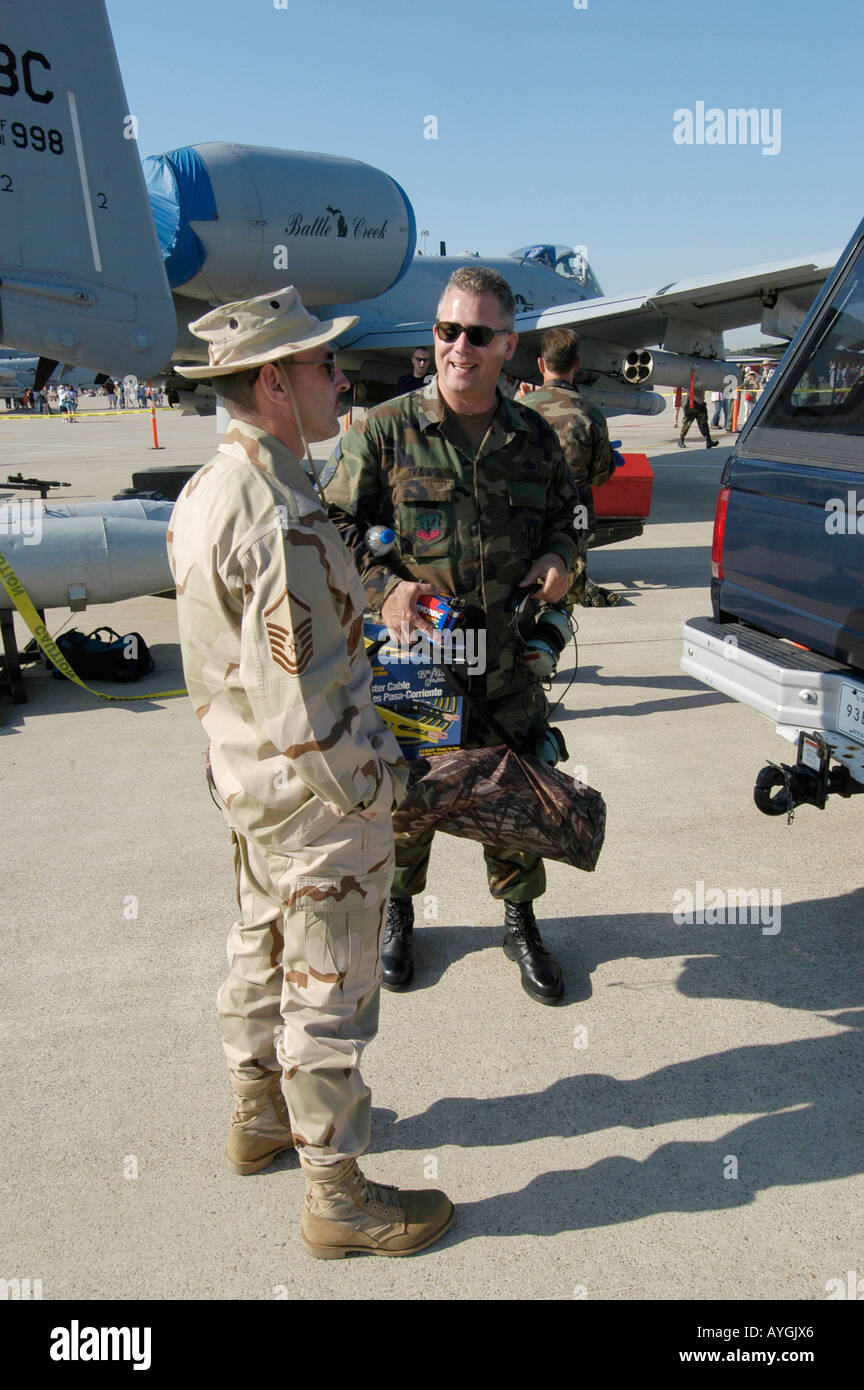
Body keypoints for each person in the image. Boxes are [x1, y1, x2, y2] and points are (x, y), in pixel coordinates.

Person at [168, 287, 453, 1259]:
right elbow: (305, 707)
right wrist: (380, 793)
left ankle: (257, 1119)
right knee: (326, 995)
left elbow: (251, 659)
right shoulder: (282, 512)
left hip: (248, 786)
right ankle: (338, 1196)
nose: (342, 379)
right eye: (323, 367)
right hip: (316, 799)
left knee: (258, 947)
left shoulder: (213, 488)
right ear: (272, 383)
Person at [326, 265, 580, 1006]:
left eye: (475, 333)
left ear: (507, 344)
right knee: (409, 800)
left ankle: (519, 919)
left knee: (516, 791)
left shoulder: (532, 437)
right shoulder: (385, 430)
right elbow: (330, 527)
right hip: (417, 664)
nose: (457, 347)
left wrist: (563, 558)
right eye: (446, 330)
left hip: (502, 662)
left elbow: (571, 520)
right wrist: (387, 587)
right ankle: (401, 913)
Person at [520, 327, 616, 607]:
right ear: (577, 365)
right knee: (572, 574)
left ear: (541, 364)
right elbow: (601, 476)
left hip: (529, 508)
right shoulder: (591, 415)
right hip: (577, 509)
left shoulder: (520, 410)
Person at [677, 381, 718, 448]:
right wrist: (696, 398)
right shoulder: (691, 379)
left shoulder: (703, 379)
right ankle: (681, 439)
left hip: (700, 405)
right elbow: (687, 389)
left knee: (704, 423)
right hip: (691, 405)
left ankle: (708, 441)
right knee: (687, 424)